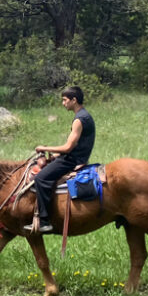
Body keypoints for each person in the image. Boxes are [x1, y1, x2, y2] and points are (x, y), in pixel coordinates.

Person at [27, 86, 96, 234]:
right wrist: (55, 156)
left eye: (65, 100)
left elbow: (68, 148)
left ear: (74, 100)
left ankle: (44, 221)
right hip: (77, 156)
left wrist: (45, 149)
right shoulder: (85, 116)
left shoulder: (79, 120)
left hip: (72, 160)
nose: (63, 103)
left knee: (41, 178)